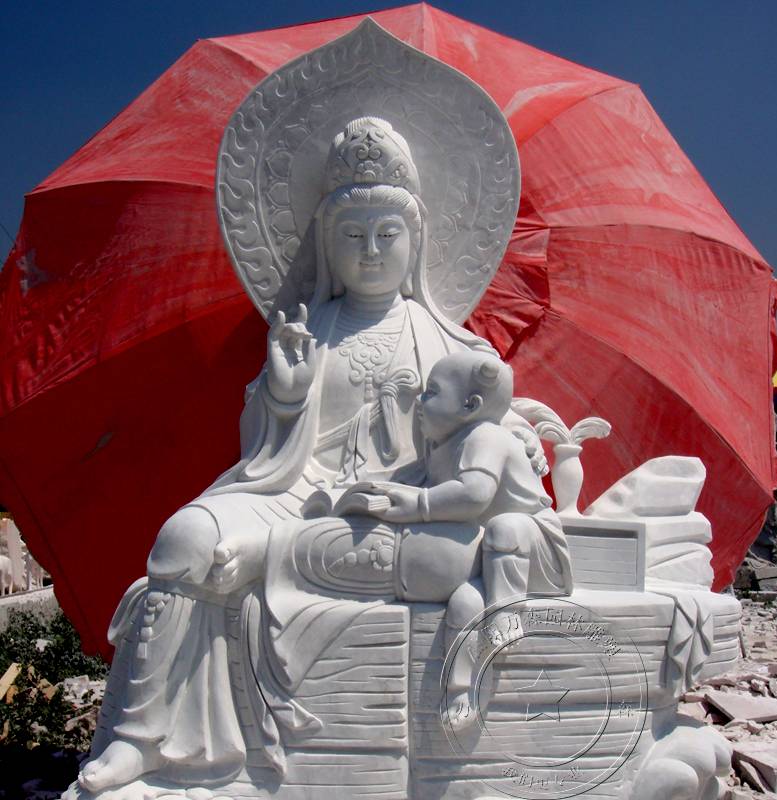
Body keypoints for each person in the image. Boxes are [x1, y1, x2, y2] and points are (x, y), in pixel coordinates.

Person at [79, 118, 521, 793]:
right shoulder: (307, 331)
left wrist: (516, 441)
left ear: (417, 240)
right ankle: (142, 739)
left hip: (398, 510)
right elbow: (265, 455)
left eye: (387, 234)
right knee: (183, 541)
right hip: (295, 491)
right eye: (352, 236)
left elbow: (488, 434)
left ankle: (271, 560)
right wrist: (283, 397)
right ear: (325, 243)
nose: (370, 252)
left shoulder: (453, 346)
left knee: (428, 551)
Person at [369, 350, 573, 728]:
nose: (420, 401)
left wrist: (419, 505)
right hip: (489, 557)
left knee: (504, 527)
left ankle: (506, 615)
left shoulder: (486, 436)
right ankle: (461, 689)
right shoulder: (443, 446)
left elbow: (474, 495)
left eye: (432, 392)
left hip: (533, 549)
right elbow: (415, 482)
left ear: (470, 405)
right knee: (465, 601)